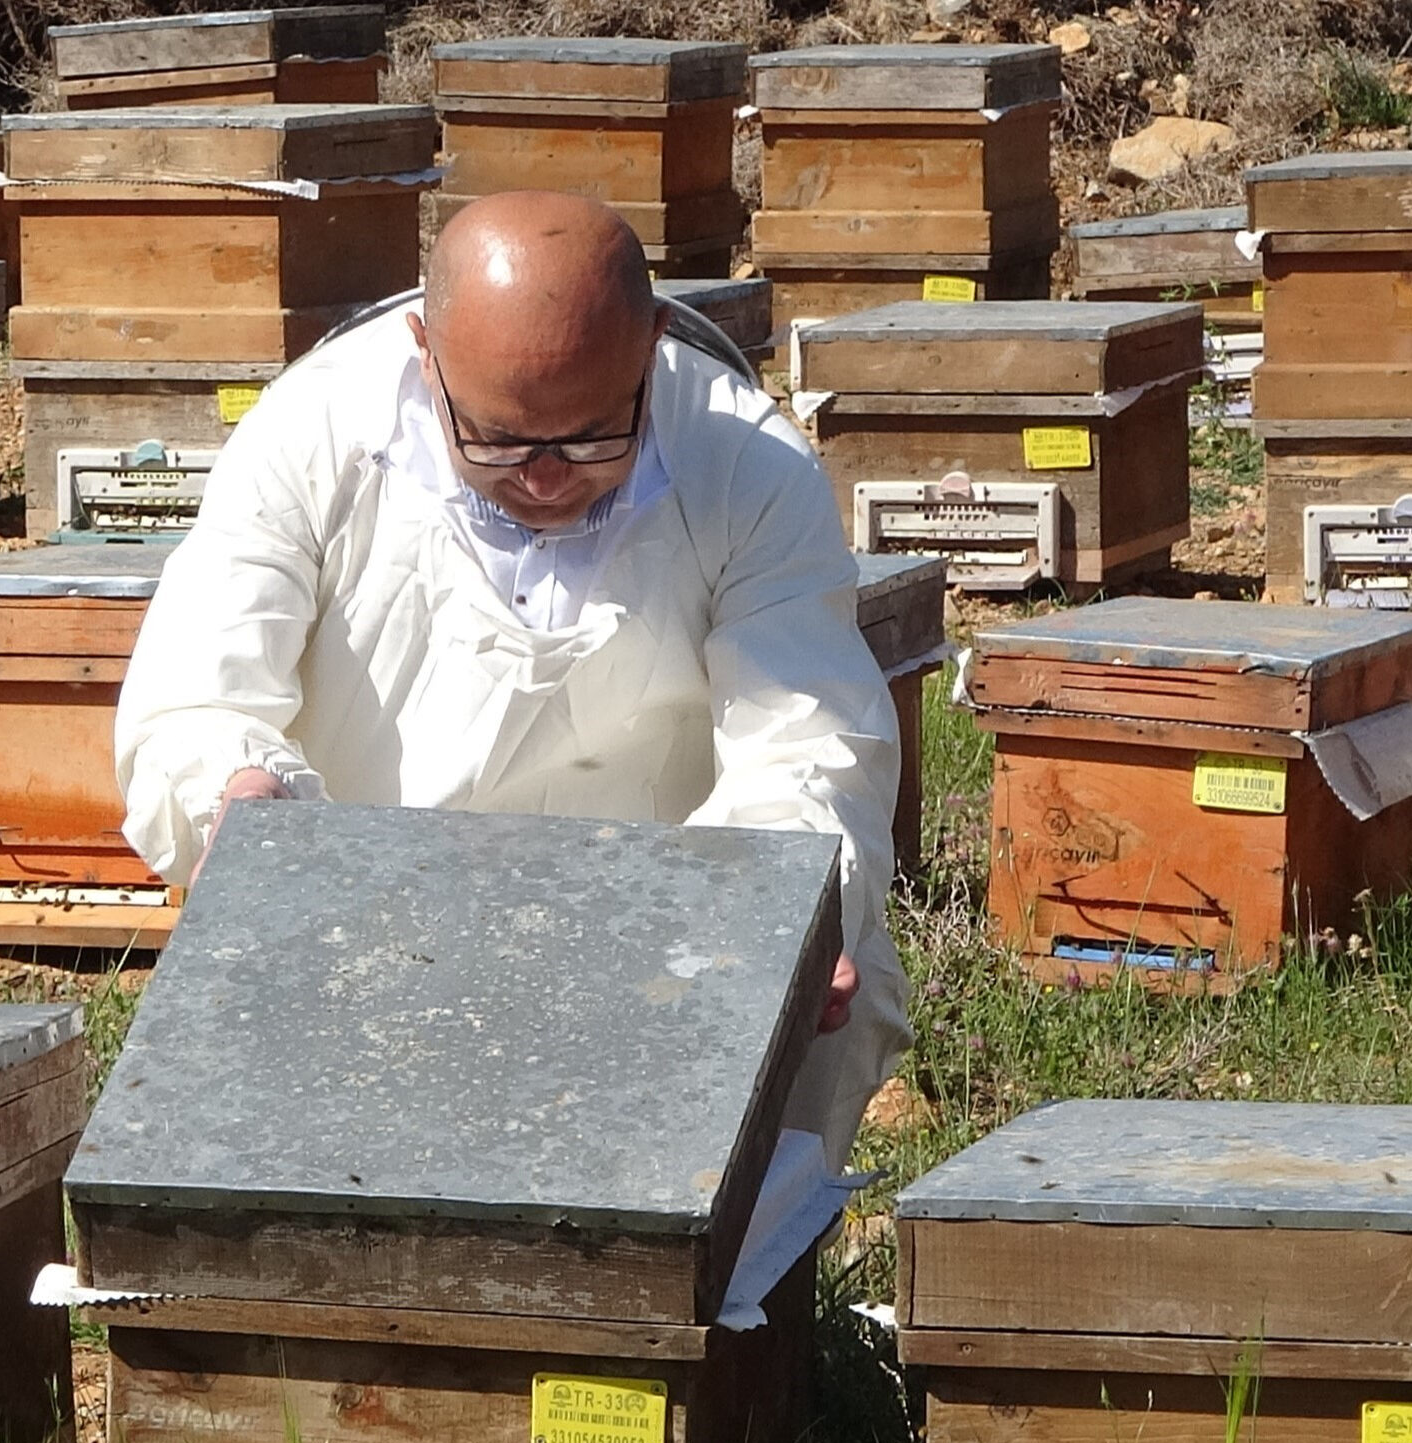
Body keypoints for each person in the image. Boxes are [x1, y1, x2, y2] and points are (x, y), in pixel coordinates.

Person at [112, 189, 907, 1160]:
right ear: (425, 352)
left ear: (653, 346)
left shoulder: (746, 463)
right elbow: (195, 693)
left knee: (832, 961)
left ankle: (733, 1299)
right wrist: (238, 794)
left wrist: (779, 908)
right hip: (370, 919)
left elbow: (808, 739)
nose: (542, 476)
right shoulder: (306, 436)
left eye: (588, 437)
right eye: (496, 438)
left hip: (666, 931)